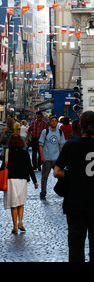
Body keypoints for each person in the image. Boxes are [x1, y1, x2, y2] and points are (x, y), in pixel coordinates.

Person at [54, 110, 94, 262]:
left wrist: (70, 174)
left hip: (75, 202)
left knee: (76, 247)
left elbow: (57, 172)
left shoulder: (71, 145)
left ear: (80, 125)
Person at [1, 134, 38, 234]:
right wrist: (35, 181)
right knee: (21, 202)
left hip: (11, 180)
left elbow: (2, 167)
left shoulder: (7, 153)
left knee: (13, 204)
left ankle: (14, 226)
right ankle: (20, 222)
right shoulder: (25, 153)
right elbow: (29, 168)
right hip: (22, 180)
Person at [38, 115, 65, 200]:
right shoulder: (45, 132)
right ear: (49, 122)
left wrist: (61, 157)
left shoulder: (60, 132)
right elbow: (41, 145)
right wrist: (42, 156)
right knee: (44, 177)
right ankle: (43, 193)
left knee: (60, 176)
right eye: (52, 121)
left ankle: (60, 190)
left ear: (57, 122)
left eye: (55, 121)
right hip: (47, 159)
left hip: (56, 159)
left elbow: (61, 146)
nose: (54, 122)